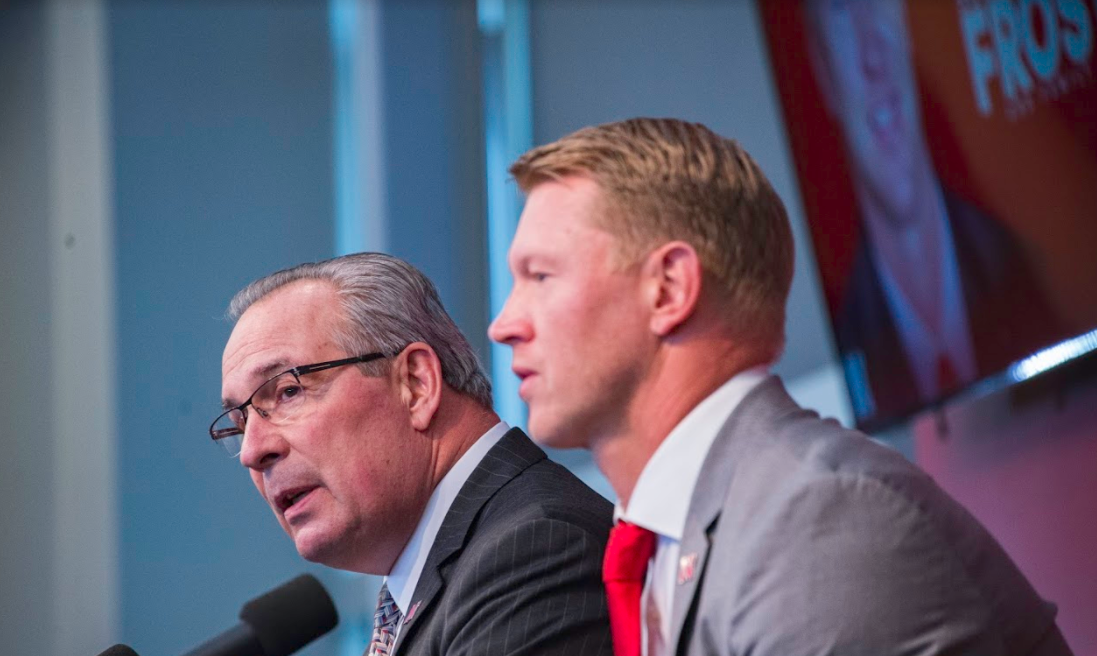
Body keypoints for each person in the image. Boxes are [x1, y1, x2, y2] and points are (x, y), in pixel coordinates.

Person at [488, 118, 1072, 656]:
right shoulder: (669, 541)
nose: (504, 324)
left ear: (668, 289)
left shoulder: (821, 522)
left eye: (540, 276)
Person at [214, 253, 613, 655]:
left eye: (288, 392)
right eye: (240, 423)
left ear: (416, 384)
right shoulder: (450, 571)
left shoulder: (536, 551)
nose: (253, 451)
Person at [803, 0, 1063, 426]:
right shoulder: (847, 354)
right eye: (843, 12)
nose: (874, 58)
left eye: (880, 6)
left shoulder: (1035, 275)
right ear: (822, 67)